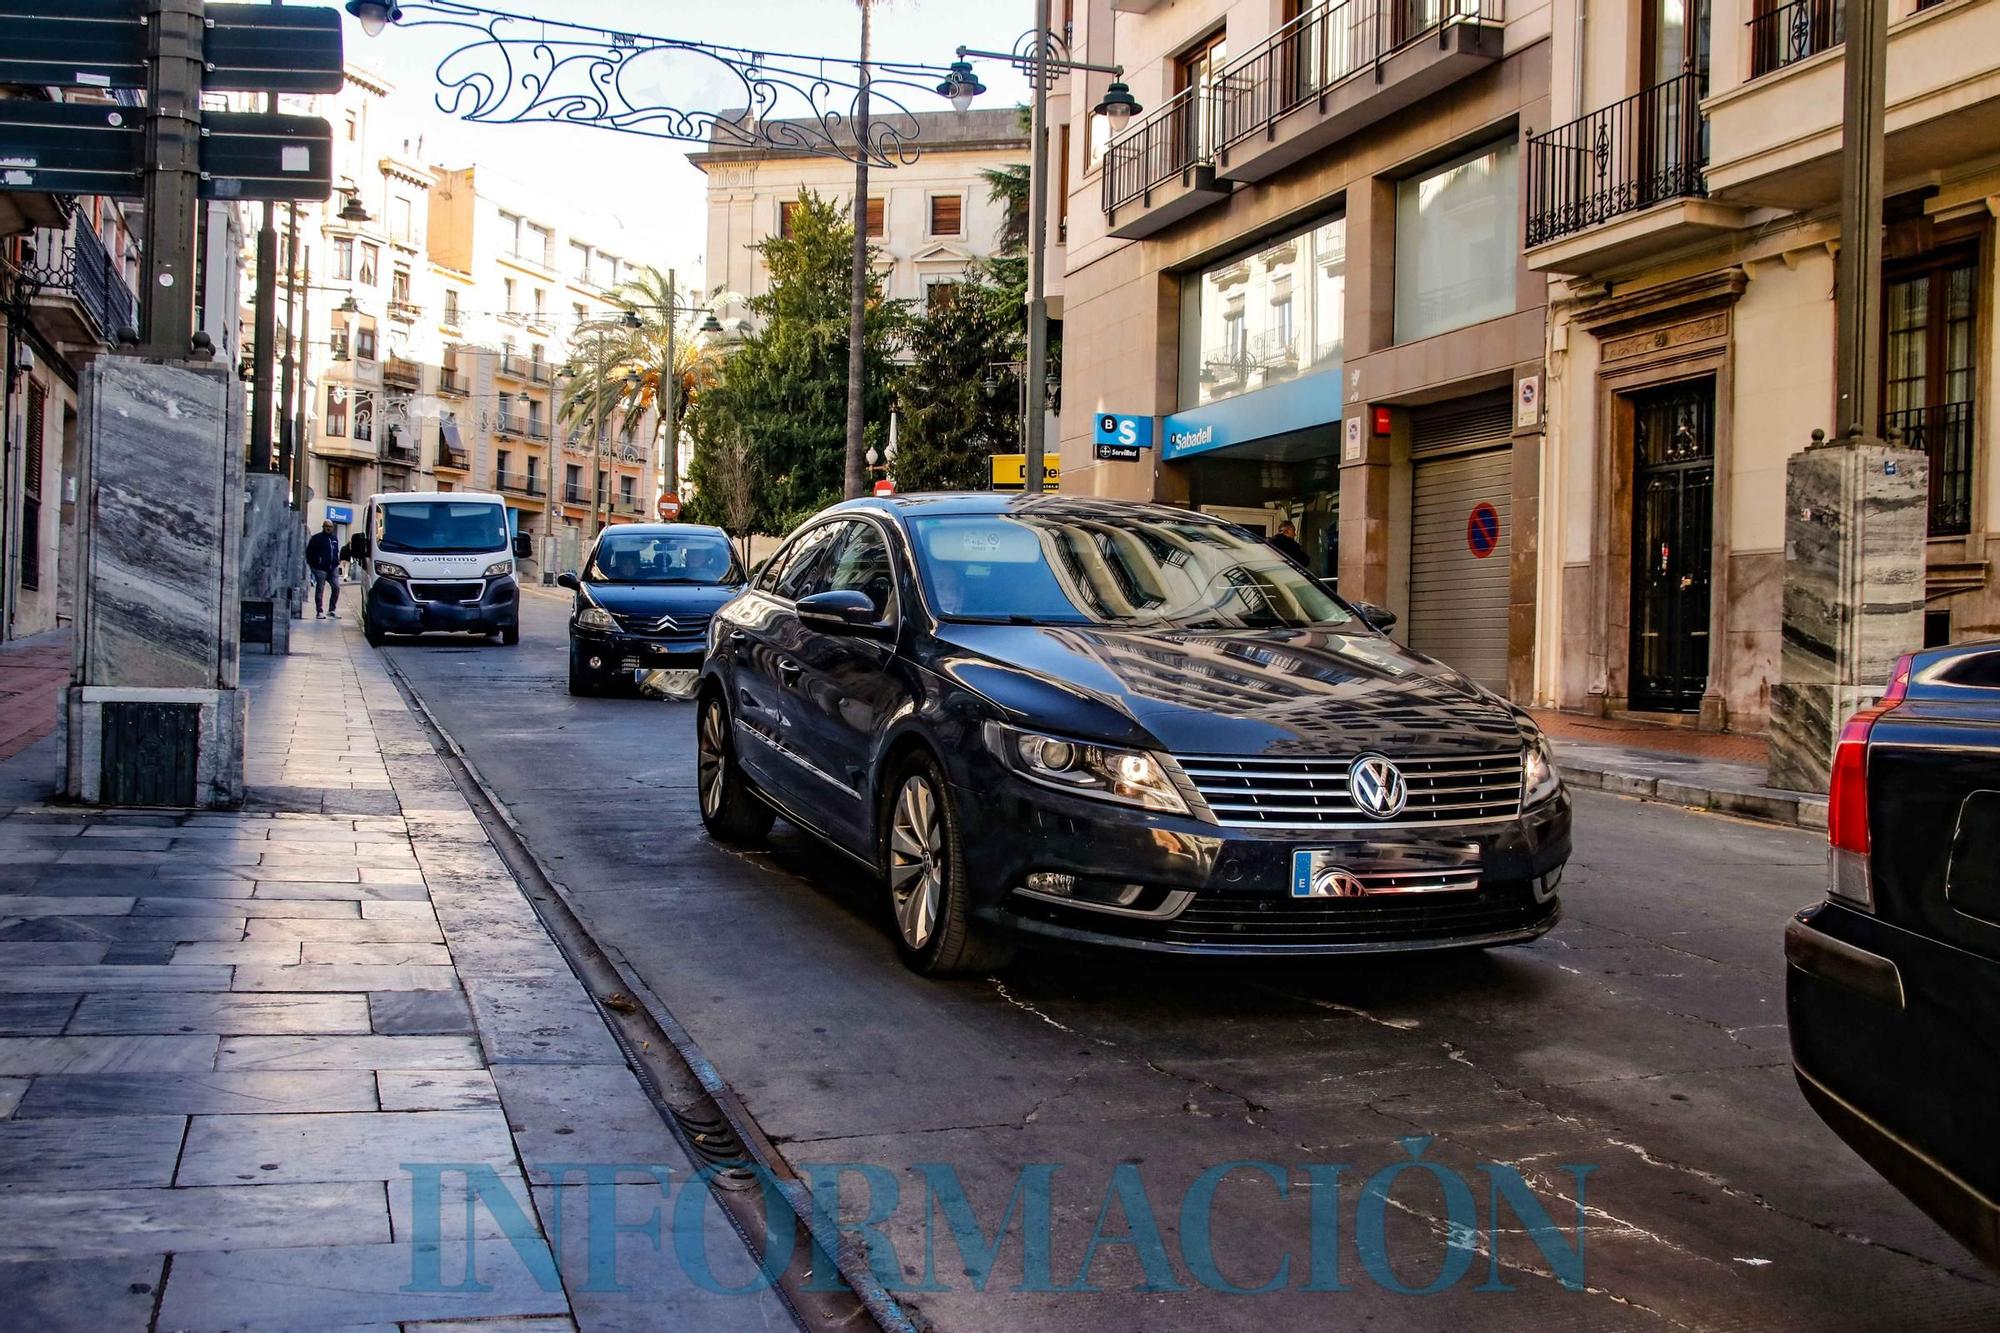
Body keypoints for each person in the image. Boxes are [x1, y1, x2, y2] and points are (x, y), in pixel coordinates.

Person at [305, 520, 343, 619]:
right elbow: (309, 552)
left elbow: (336, 551)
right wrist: (314, 565)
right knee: (320, 589)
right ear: (323, 527)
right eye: (327, 526)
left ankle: (332, 610)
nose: (329, 528)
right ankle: (319, 611)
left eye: (330, 526)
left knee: (336, 587)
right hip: (320, 568)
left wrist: (336, 561)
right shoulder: (316, 538)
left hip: (333, 567)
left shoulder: (334, 538)